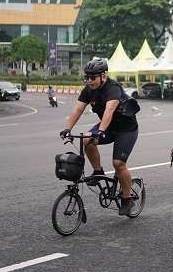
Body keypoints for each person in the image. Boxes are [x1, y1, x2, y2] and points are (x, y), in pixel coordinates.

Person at [60, 57, 140, 216]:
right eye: (87, 77)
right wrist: (67, 128)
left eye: (93, 77)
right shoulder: (88, 90)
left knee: (118, 164)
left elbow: (109, 110)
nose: (89, 80)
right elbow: (78, 110)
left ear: (103, 75)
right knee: (86, 140)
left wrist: (101, 130)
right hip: (108, 127)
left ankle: (127, 199)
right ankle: (98, 172)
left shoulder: (113, 88)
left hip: (126, 130)